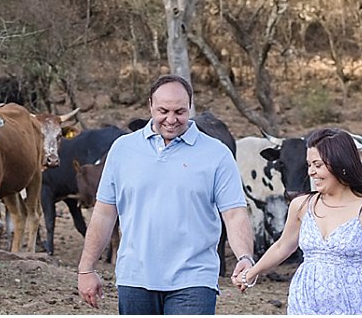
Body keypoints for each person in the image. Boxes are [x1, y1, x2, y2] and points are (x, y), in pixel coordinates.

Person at [77, 74, 255, 315]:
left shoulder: (217, 154)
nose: (171, 119)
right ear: (150, 105)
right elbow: (105, 213)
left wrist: (245, 256)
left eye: (180, 112)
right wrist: (87, 268)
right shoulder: (122, 150)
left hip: (194, 280)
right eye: (163, 111)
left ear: (190, 107)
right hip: (135, 277)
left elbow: (234, 214)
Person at [234, 127, 362, 315]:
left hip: (354, 305)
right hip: (304, 303)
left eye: (318, 165)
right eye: (309, 165)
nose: (311, 172)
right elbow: (282, 247)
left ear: (340, 163)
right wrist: (251, 274)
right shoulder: (301, 205)